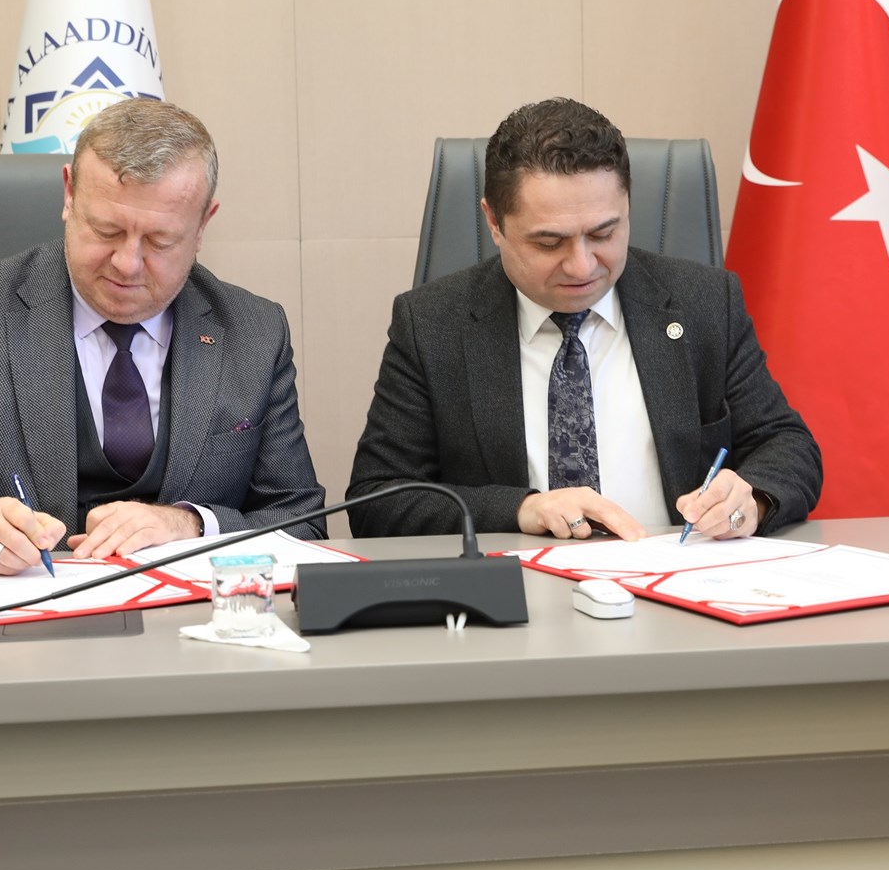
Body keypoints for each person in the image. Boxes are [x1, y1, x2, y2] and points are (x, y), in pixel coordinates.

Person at [347, 97, 820, 540]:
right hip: (517, 589)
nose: (582, 266)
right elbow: (377, 498)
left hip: (673, 581)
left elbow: (787, 445)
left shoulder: (704, 303)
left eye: (603, 233)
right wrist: (519, 509)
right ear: (494, 222)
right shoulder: (432, 325)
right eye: (549, 243)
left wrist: (751, 500)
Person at [0, 99, 324, 574]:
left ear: (203, 224)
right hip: (20, 610)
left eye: (160, 241)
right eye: (106, 230)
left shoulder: (254, 332)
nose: (127, 263)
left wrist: (193, 525)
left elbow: (302, 521)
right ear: (68, 195)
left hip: (190, 614)